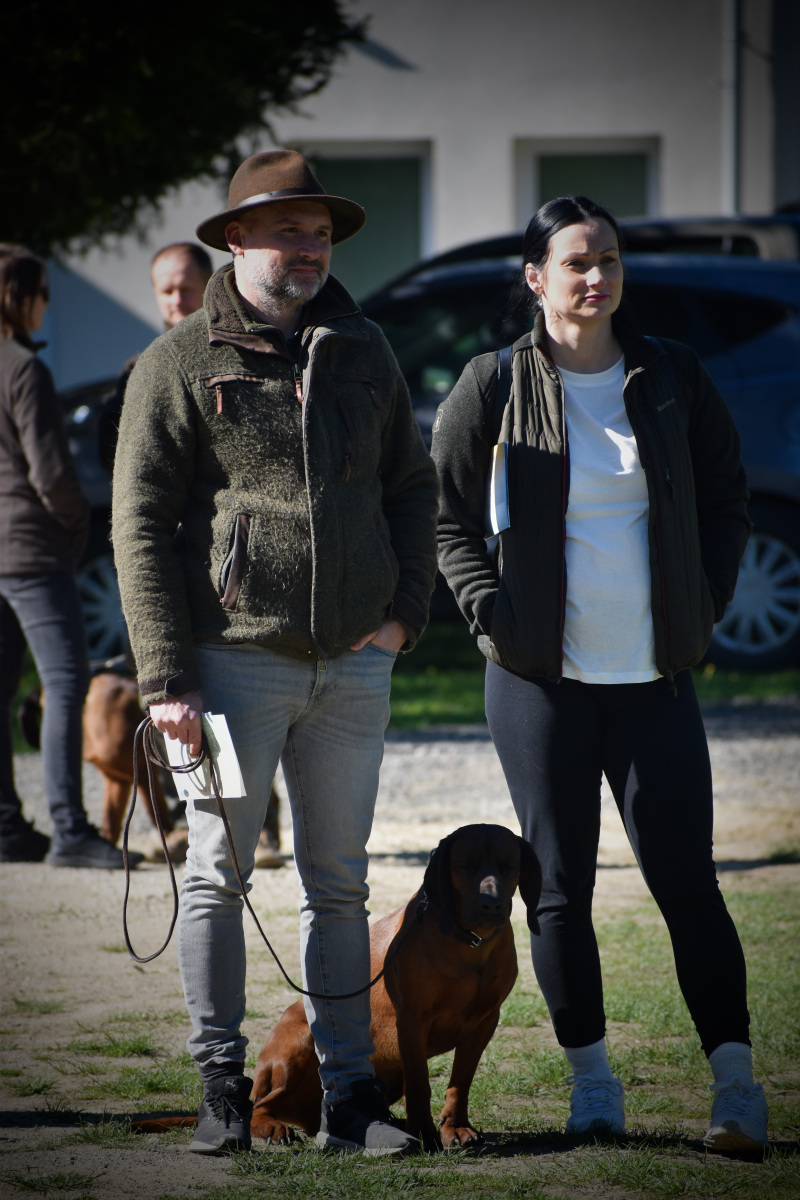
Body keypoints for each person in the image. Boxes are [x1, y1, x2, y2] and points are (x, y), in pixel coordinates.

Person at [112, 149, 439, 1156]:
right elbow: (139, 525)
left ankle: (349, 1098)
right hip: (223, 671)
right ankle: (222, 1087)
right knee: (217, 874)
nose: (309, 248)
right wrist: (165, 680)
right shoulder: (177, 362)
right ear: (236, 238)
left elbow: (411, 487)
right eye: (288, 229)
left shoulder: (365, 349)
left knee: (338, 885)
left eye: (321, 233)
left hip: (353, 668)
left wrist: (402, 617)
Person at [431, 196, 768, 1156]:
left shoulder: (672, 374)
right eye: (577, 262)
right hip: (539, 683)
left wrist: (706, 598)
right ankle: (593, 1088)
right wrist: (490, 612)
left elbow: (727, 495)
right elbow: (446, 517)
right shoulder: (493, 383)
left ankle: (736, 1090)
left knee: (688, 884)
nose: (597, 277)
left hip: (655, 680)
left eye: (609, 259)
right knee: (557, 891)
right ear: (536, 278)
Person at [0, 244, 133, 868]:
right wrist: (76, 525)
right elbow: (51, 475)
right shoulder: (24, 370)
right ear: (21, 298)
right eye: (42, 294)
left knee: (3, 688)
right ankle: (70, 830)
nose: (46, 307)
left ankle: (7, 826)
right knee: (64, 681)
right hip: (30, 549)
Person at [97, 243, 214, 475]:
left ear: (208, 286)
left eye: (186, 289)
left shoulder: (234, 356)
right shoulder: (138, 369)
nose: (177, 301)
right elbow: (111, 450)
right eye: (167, 292)